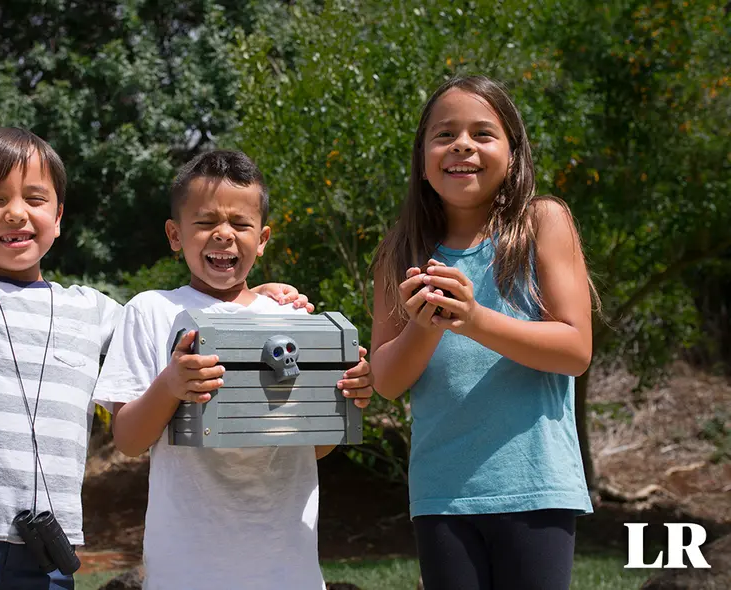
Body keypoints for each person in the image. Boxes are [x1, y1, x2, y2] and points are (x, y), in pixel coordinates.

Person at [0, 60, 310, 589]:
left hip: (50, 555)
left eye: (34, 198)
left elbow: (185, 328)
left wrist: (252, 298)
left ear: (58, 217)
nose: (14, 213)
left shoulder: (98, 312)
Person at [91, 150, 375, 590]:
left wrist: (345, 400)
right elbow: (128, 440)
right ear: (174, 234)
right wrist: (171, 384)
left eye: (240, 225)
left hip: (289, 569)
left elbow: (314, 449)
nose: (223, 235)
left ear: (262, 239)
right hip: (185, 569)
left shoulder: (294, 320)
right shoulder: (149, 311)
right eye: (205, 223)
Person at [369, 75, 597, 590]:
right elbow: (386, 379)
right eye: (444, 134)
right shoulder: (398, 253)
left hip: (536, 488)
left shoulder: (544, 222)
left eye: (483, 133)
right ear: (422, 159)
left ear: (513, 155)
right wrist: (426, 329)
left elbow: (575, 349)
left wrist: (473, 320)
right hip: (441, 495)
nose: (462, 146)